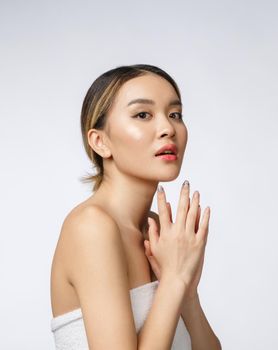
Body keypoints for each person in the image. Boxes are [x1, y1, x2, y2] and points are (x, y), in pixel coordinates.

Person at [50, 64, 222, 349]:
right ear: (100, 141)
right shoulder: (92, 227)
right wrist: (174, 280)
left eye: (175, 114)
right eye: (143, 115)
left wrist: (188, 294)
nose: (168, 128)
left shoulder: (161, 234)